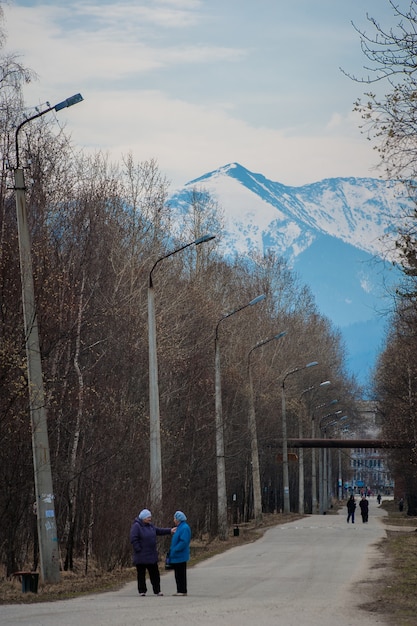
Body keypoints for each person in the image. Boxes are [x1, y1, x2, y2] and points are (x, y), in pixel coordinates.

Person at [130, 508, 174, 596]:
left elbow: (159, 531)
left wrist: (170, 530)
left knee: (155, 574)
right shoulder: (136, 526)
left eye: (150, 517)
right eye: (148, 517)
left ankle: (157, 590)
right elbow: (133, 538)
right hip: (141, 555)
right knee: (141, 574)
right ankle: (142, 590)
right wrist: (138, 549)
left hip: (151, 554)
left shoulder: (151, 526)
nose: (150, 519)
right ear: (143, 518)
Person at [169, 510, 191, 596]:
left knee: (181, 573)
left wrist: (175, 549)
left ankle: (182, 590)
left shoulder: (184, 528)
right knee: (177, 574)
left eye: (175, 518)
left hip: (180, 555)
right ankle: (179, 590)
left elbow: (184, 541)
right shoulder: (179, 527)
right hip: (176, 555)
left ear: (178, 519)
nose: (174, 520)